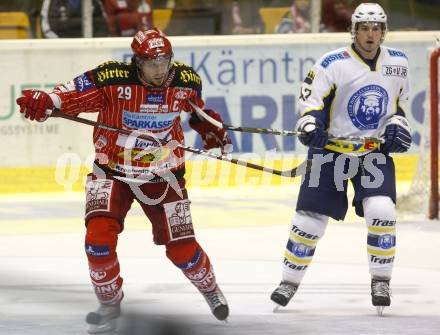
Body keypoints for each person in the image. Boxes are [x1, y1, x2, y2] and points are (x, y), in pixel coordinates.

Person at [16, 28, 232, 333]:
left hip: (164, 174)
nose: (159, 70)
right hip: (111, 171)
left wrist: (211, 128)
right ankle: (109, 305)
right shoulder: (111, 78)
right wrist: (46, 100)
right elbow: (68, 93)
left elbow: (195, 108)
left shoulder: (185, 79)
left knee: (182, 249)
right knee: (98, 243)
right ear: (136, 61)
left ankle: (210, 288)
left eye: (164, 61)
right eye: (151, 63)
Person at [270, 3, 411, 314]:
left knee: (382, 210)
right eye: (365, 27)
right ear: (354, 30)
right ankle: (288, 281)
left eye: (376, 28)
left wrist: (397, 127)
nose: (371, 34)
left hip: (371, 153)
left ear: (383, 31)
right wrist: (310, 126)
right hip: (330, 153)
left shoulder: (399, 63)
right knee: (309, 220)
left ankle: (381, 280)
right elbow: (311, 104)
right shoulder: (332, 63)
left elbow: (397, 109)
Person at [41, 0, 108, 38]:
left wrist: (93, 44)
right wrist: (61, 45)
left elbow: (102, 25)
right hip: (61, 49)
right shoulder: (51, 1)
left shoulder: (94, 1)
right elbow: (47, 27)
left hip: (89, 47)